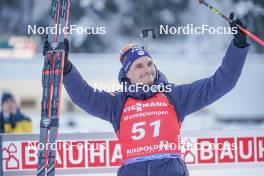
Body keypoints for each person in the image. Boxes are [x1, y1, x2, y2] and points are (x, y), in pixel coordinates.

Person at [43, 13, 249, 176]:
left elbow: (221, 83)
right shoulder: (118, 103)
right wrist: (66, 67)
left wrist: (238, 45)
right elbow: (85, 96)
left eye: (150, 63)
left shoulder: (173, 95)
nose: (147, 69)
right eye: (139, 66)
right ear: (128, 74)